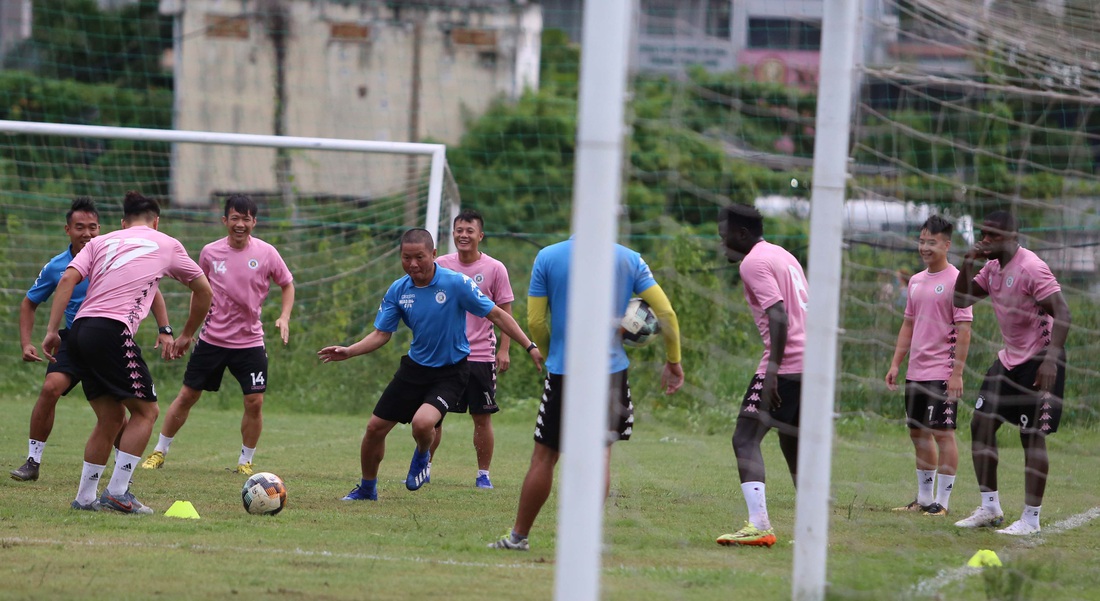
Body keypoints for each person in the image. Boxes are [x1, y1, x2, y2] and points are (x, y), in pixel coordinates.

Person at [489, 237, 684, 551]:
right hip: (611, 373)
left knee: (544, 457)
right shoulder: (630, 258)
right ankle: (584, 539)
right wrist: (673, 361)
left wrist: (551, 354)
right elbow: (666, 313)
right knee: (600, 453)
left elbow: (536, 321)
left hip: (566, 370)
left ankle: (518, 537)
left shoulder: (548, 257)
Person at [319, 228, 543, 501]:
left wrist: (529, 346)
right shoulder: (399, 290)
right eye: (406, 258)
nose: (413, 264)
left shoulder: (456, 283)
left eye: (419, 257)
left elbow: (496, 314)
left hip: (451, 371)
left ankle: (423, 455)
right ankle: (367, 488)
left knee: (422, 424)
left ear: (434, 255)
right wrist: (349, 350)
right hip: (414, 369)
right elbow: (381, 334)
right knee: (374, 429)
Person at [43, 191, 212, 513]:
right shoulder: (167, 243)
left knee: (111, 417)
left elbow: (67, 278)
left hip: (78, 332)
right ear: (156, 221)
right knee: (146, 412)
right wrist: (187, 334)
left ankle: (85, 497)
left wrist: (52, 330)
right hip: (110, 331)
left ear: (123, 221)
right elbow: (204, 291)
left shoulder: (100, 241)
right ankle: (119, 492)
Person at [12, 198, 173, 482]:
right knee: (52, 387)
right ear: (67, 230)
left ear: (101, 228)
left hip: (107, 340)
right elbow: (29, 302)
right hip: (73, 340)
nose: (87, 233)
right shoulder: (57, 267)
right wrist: (27, 342)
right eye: (79, 227)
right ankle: (33, 460)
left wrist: (165, 327)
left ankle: (121, 470)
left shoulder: (110, 257)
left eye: (92, 227)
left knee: (115, 414)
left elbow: (154, 288)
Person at [141, 194, 295, 475]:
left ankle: (245, 461)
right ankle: (159, 451)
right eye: (235, 218)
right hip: (212, 339)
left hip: (250, 342)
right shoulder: (210, 253)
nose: (240, 224)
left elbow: (287, 284)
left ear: (254, 222)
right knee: (187, 395)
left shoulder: (267, 253)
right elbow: (200, 294)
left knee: (255, 401)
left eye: (246, 219)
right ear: (225, 220)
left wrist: (284, 316)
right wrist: (189, 332)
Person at [953, 210, 1070, 535]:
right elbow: (960, 299)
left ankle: (1031, 520)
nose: (985, 240)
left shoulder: (1031, 267)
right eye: (983, 234)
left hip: (1040, 360)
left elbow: (1063, 312)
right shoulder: (991, 269)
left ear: (1012, 237)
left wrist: (1051, 360)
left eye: (992, 236)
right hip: (1008, 361)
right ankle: (990, 507)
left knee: (1029, 436)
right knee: (981, 423)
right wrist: (967, 262)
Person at [715, 203, 807, 547]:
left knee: (744, 437)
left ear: (741, 234)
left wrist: (771, 372)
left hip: (786, 363)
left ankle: (759, 525)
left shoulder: (753, 262)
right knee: (792, 441)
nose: (723, 245)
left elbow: (780, 317)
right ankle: (813, 524)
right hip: (811, 363)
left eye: (725, 238)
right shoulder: (782, 255)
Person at [884, 215, 972, 516]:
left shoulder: (958, 282)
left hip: (942, 373)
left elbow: (964, 330)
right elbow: (908, 324)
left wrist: (957, 372)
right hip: (916, 373)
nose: (925, 247)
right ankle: (923, 499)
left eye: (931, 242)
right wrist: (896, 363)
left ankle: (943, 504)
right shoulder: (916, 282)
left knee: (943, 434)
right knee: (917, 433)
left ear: (946, 245)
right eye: (922, 241)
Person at [431, 210, 513, 489]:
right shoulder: (440, 264)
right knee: (433, 416)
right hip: (444, 355)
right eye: (459, 230)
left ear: (480, 235)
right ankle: (424, 466)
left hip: (480, 356)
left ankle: (483, 475)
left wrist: (504, 349)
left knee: (481, 418)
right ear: (452, 233)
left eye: (469, 230)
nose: (463, 235)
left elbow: (504, 312)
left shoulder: (495, 268)